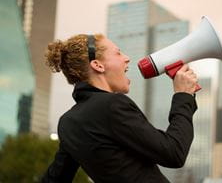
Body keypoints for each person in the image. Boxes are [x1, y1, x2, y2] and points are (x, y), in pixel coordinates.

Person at [41, 34, 198, 183]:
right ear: (98, 65)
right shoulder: (112, 105)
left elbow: (55, 179)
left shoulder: (68, 123)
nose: (127, 58)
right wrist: (183, 96)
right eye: (118, 53)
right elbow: (173, 153)